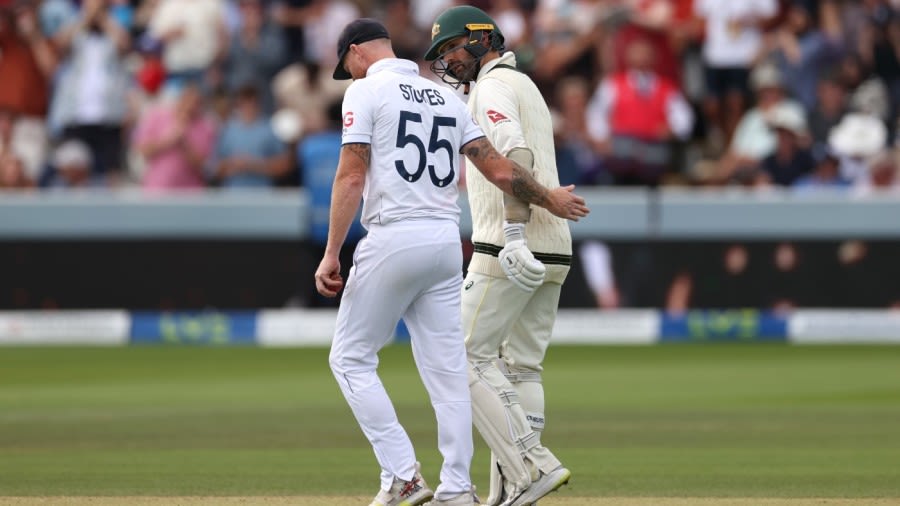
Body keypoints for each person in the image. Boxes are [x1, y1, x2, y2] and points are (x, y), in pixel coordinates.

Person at [314, 18, 589, 506]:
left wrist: (332, 251)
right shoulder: (444, 95)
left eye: (347, 67)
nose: (349, 75)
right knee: (448, 369)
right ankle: (458, 488)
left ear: (356, 53)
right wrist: (548, 196)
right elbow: (503, 168)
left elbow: (351, 176)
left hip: (395, 235)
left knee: (350, 358)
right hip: (445, 242)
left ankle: (402, 474)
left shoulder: (364, 92)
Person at [424, 6, 576, 505]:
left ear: (482, 39)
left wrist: (512, 232)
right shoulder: (525, 83)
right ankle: (507, 493)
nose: (449, 59)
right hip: (553, 247)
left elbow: (516, 155)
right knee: (521, 370)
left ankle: (532, 465)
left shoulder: (490, 88)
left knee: (459, 357)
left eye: (452, 48)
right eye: (442, 54)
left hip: (509, 245)